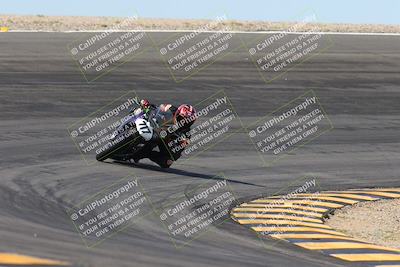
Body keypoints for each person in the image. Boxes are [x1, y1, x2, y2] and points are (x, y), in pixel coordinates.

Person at [133, 99, 196, 168]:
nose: (183, 121)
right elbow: (158, 108)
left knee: (167, 162)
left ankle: (144, 154)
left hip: (162, 138)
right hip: (155, 124)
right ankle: (131, 120)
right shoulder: (171, 108)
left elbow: (177, 153)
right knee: (141, 109)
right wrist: (147, 105)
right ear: (178, 113)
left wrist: (177, 142)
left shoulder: (186, 134)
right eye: (182, 118)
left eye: (187, 121)